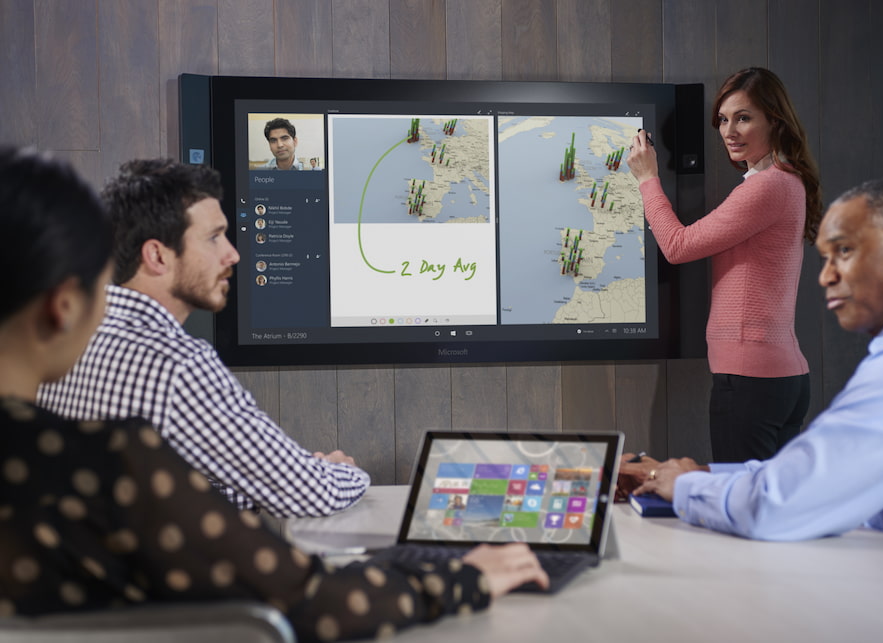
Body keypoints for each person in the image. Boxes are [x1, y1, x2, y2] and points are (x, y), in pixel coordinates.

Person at [0, 146, 548, 639]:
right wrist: (462, 578)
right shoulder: (160, 385)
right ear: (62, 305)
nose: (235, 254)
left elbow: (137, 511)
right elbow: (315, 587)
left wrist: (245, 484)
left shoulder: (56, 442)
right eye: (215, 238)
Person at [623, 178, 883, 554]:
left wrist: (685, 486)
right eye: (824, 258)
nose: (826, 277)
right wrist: (695, 474)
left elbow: (776, 505)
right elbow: (821, 477)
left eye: (845, 251)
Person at [38, 159, 368, 518]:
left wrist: (285, 480)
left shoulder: (65, 340)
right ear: (157, 256)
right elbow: (310, 495)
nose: (233, 254)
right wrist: (342, 471)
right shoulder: (176, 365)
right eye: (214, 238)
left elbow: (156, 493)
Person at [627, 67, 822, 462]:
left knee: (740, 509)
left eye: (744, 117)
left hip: (753, 379)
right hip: (775, 377)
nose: (729, 130)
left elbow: (678, 246)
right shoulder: (783, 180)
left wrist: (648, 178)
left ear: (775, 120)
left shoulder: (768, 187)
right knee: (763, 509)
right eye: (723, 119)